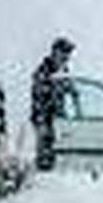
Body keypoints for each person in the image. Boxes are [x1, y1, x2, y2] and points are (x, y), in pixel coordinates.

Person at [30, 36, 75, 171]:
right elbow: (39, 97)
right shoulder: (44, 71)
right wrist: (42, 121)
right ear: (55, 52)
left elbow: (70, 91)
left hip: (59, 119)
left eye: (68, 53)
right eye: (64, 52)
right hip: (45, 118)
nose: (66, 57)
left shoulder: (63, 71)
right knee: (46, 151)